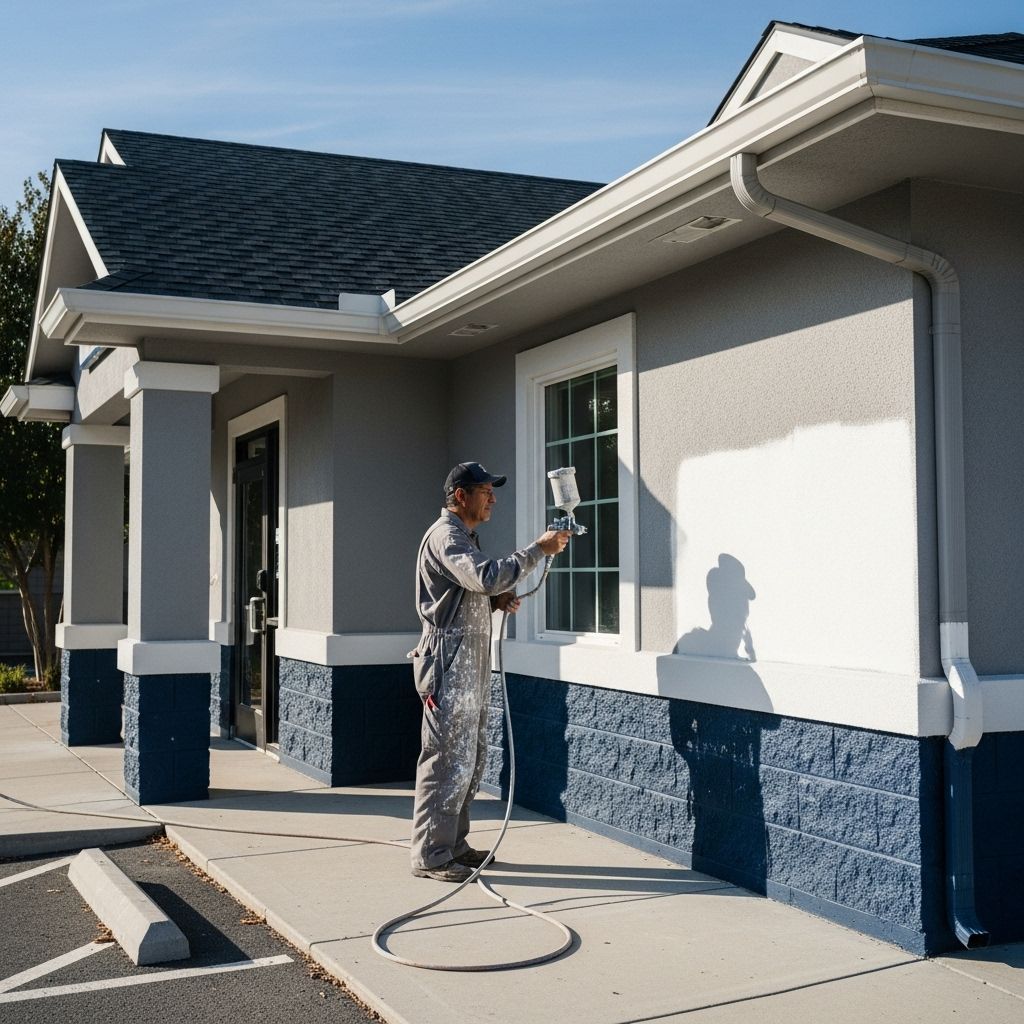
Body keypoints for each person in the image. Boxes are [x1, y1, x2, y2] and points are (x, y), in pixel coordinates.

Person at [409, 461, 569, 881]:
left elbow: (467, 590)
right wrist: (539, 549)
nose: (493, 498)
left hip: (468, 665)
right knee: (446, 759)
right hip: (449, 665)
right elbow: (484, 576)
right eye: (485, 490)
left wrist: (492, 603)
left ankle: (453, 845)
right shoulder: (446, 536)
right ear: (461, 496)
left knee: (468, 758)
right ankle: (431, 854)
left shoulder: (463, 536)